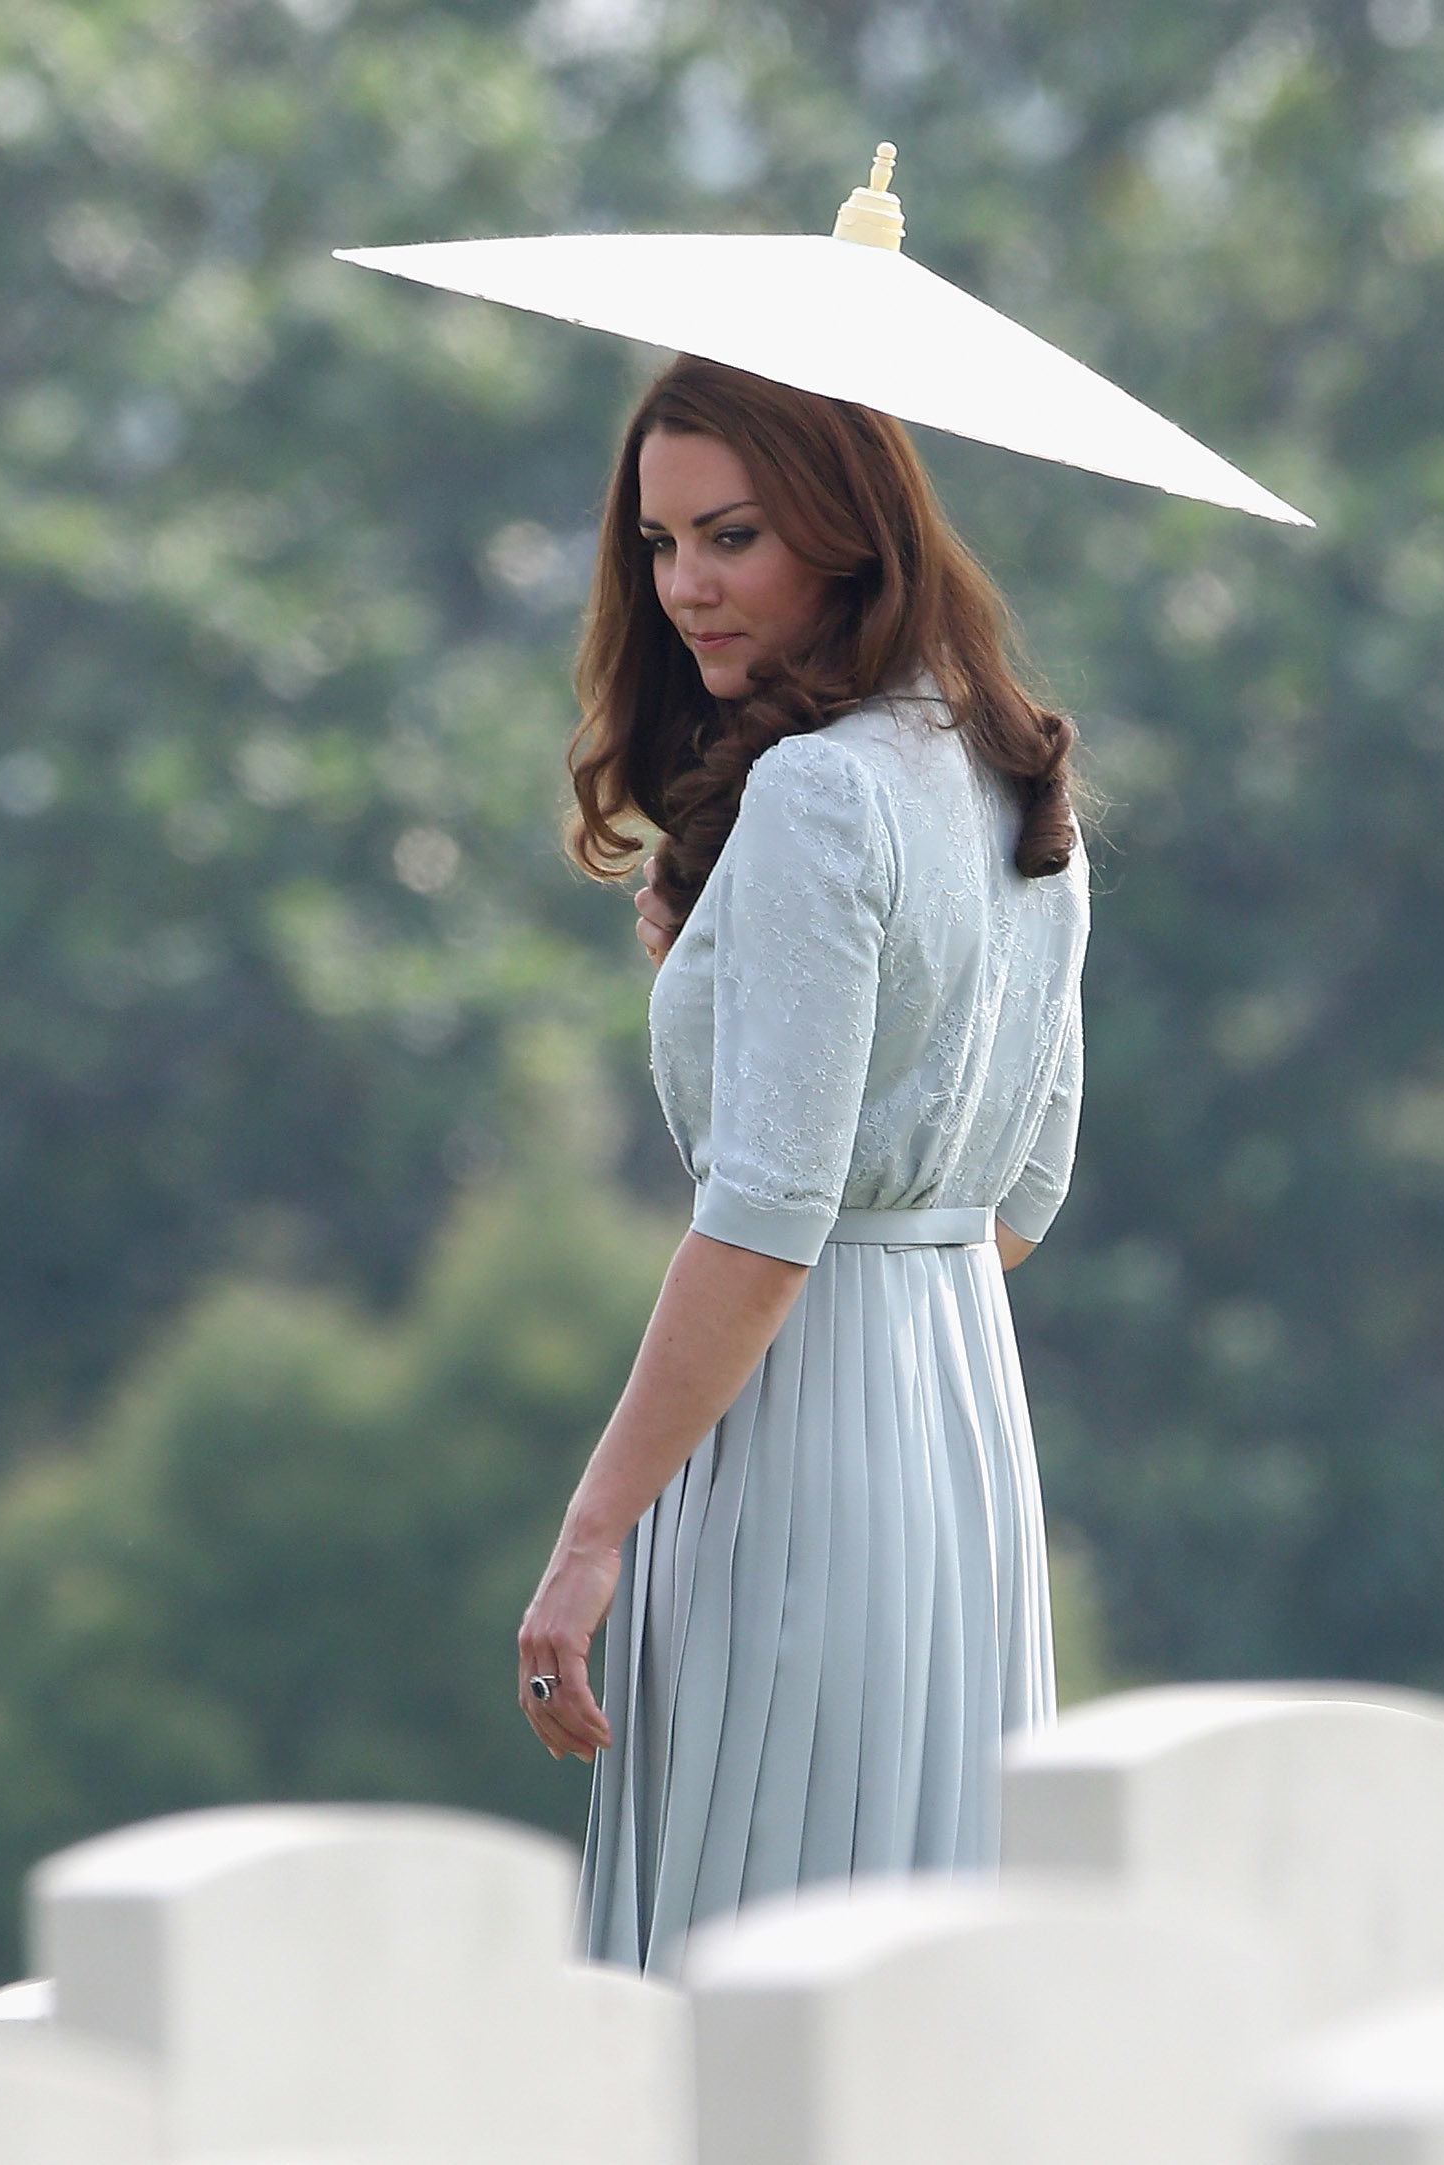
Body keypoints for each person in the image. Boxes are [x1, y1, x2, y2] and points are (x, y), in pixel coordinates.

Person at [512, 354, 1087, 1973]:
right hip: (959, 1443)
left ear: (846, 533)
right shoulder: (1010, 774)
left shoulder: (820, 795)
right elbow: (1015, 1203)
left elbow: (766, 1227)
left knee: (743, 1969)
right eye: (658, 542)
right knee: (916, 1979)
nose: (685, 584)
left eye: (733, 535)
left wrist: (590, 1534)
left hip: (798, 1446)